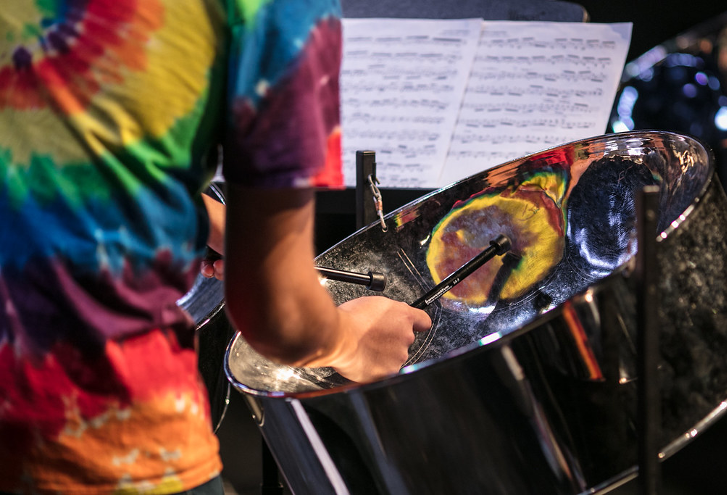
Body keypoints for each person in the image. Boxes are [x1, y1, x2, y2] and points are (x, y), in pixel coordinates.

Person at [0, 1, 432, 494]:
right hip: (93, 440)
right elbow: (278, 318)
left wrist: (198, 215)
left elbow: (43, 153)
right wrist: (353, 339)